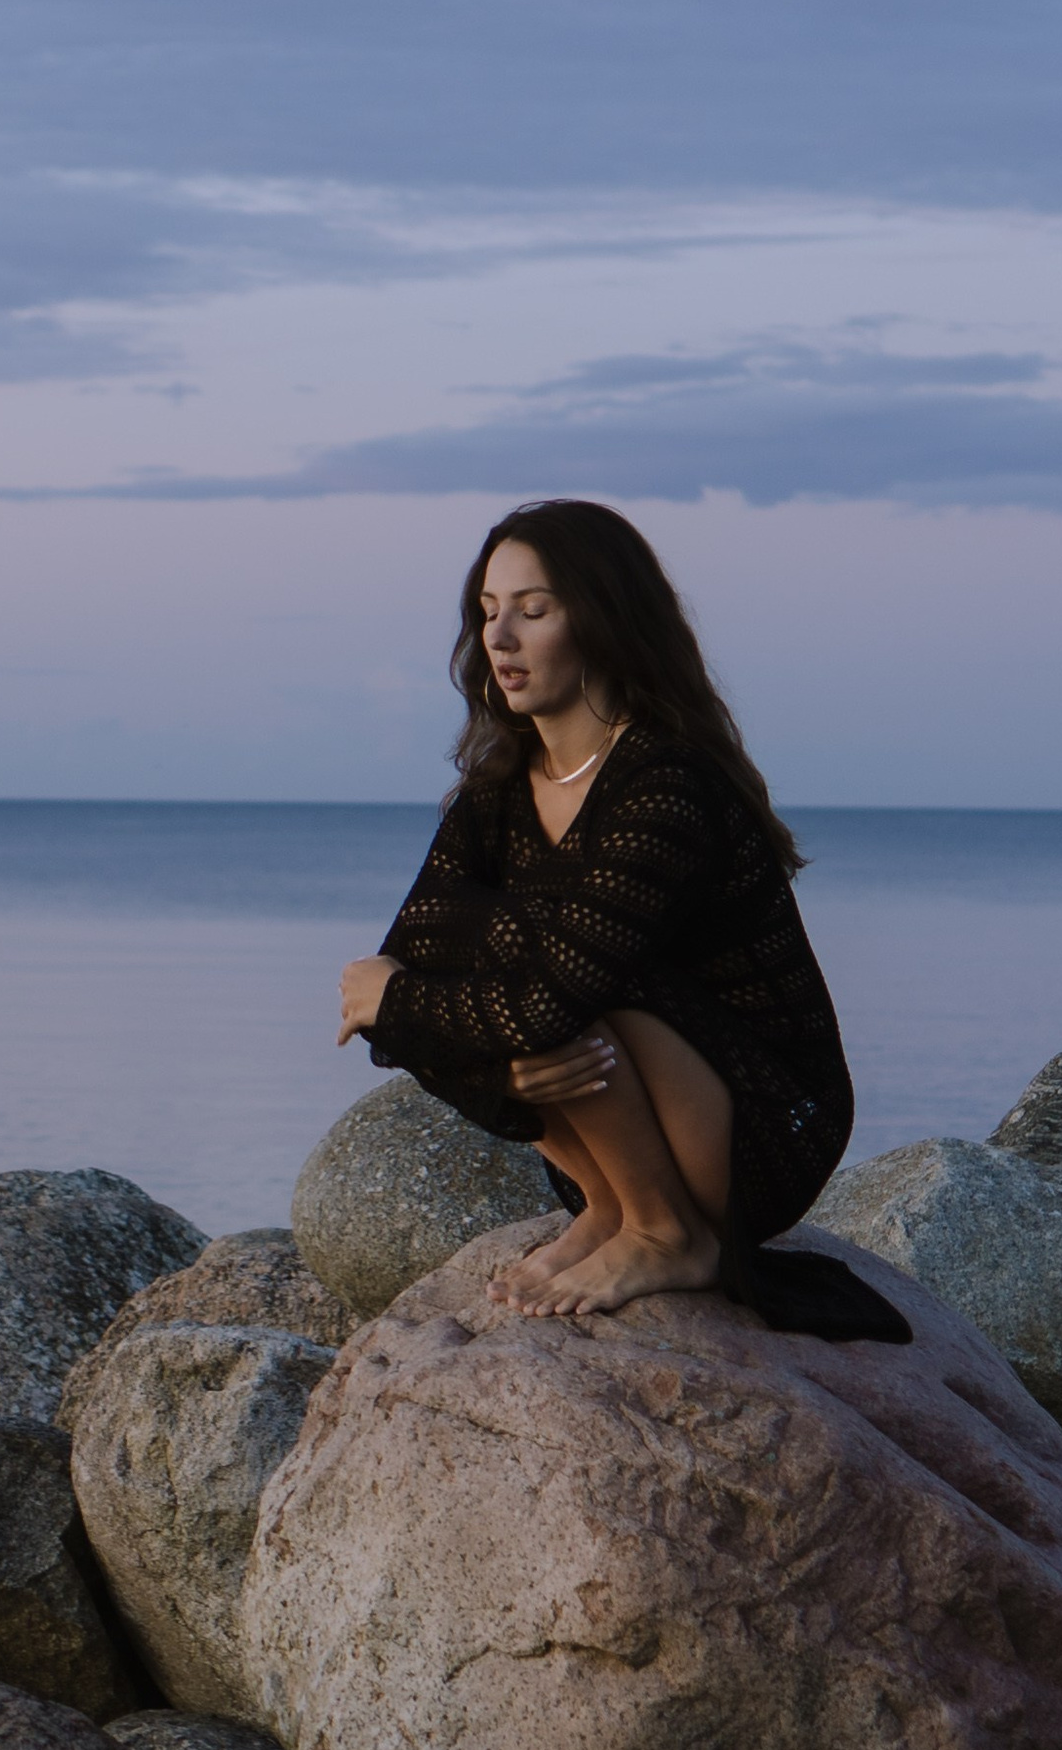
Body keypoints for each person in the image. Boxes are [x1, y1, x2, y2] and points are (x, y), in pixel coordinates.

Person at [337, 497, 905, 1340]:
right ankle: (611, 1206)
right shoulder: (494, 798)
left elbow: (535, 996)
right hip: (621, 1114)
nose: (500, 640)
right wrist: (489, 1061)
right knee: (504, 990)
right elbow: (418, 962)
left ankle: (667, 1232)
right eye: (488, 614)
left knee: (559, 994)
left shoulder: (666, 784)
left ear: (604, 620)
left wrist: (407, 1006)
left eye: (533, 611)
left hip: (760, 1125)